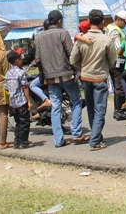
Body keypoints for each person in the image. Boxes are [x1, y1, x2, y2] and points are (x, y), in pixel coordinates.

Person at [34, 10, 85, 148]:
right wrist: (77, 71)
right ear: (59, 21)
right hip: (66, 74)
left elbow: (38, 59)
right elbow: (71, 53)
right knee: (76, 101)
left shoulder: (39, 37)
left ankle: (58, 140)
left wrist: (43, 73)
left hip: (49, 78)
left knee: (55, 107)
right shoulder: (63, 33)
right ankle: (76, 133)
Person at [71, 9, 117, 150]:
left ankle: (96, 135)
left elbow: (73, 60)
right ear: (103, 22)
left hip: (85, 77)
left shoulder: (81, 39)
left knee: (91, 108)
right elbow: (112, 61)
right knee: (100, 110)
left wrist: (83, 67)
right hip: (100, 78)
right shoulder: (106, 40)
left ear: (89, 22)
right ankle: (95, 140)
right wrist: (104, 67)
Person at [5, 49, 35, 149]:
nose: (22, 60)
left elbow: (6, 87)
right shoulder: (21, 72)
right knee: (25, 122)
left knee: (18, 122)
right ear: (17, 60)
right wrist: (29, 101)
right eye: (20, 58)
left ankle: (17, 140)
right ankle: (23, 141)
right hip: (21, 100)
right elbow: (25, 87)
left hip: (12, 102)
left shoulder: (8, 73)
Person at [105, 10, 126, 117]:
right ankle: (119, 111)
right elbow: (118, 48)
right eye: (125, 22)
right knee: (120, 84)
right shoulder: (115, 31)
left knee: (117, 85)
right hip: (117, 61)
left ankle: (119, 109)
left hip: (113, 61)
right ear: (119, 19)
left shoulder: (110, 27)